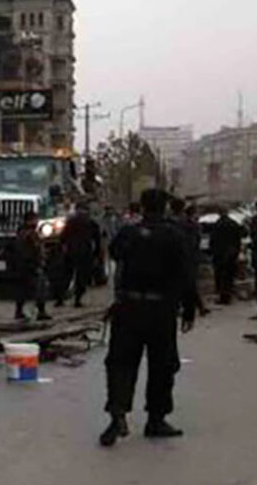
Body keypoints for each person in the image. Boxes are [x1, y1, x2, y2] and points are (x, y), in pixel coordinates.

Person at [101, 188, 195, 447]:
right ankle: (156, 418)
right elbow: (186, 275)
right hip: (160, 309)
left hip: (128, 306)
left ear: (142, 207)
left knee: (120, 362)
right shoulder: (174, 236)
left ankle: (117, 413)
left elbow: (115, 254)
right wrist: (189, 309)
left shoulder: (128, 233)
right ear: (165, 208)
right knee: (162, 364)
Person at [57, 201, 102, 307]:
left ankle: (60, 298)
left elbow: (63, 236)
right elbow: (97, 240)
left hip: (71, 250)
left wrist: (62, 247)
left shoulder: (71, 221)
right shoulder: (91, 223)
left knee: (66, 275)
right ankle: (77, 299)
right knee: (81, 276)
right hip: (85, 251)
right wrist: (97, 254)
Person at [14, 210, 51, 321]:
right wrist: (40, 262)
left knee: (22, 289)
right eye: (35, 219)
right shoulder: (31, 234)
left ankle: (19, 311)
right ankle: (41, 312)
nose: (36, 222)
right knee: (41, 288)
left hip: (22, 265)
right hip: (31, 265)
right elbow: (36, 249)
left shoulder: (20, 233)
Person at [209, 206, 244, 305]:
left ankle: (222, 296)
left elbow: (213, 239)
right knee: (229, 276)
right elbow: (238, 238)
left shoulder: (218, 224)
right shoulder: (233, 223)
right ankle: (227, 295)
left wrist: (211, 251)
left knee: (220, 275)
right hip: (230, 253)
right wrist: (236, 251)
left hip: (219, 253)